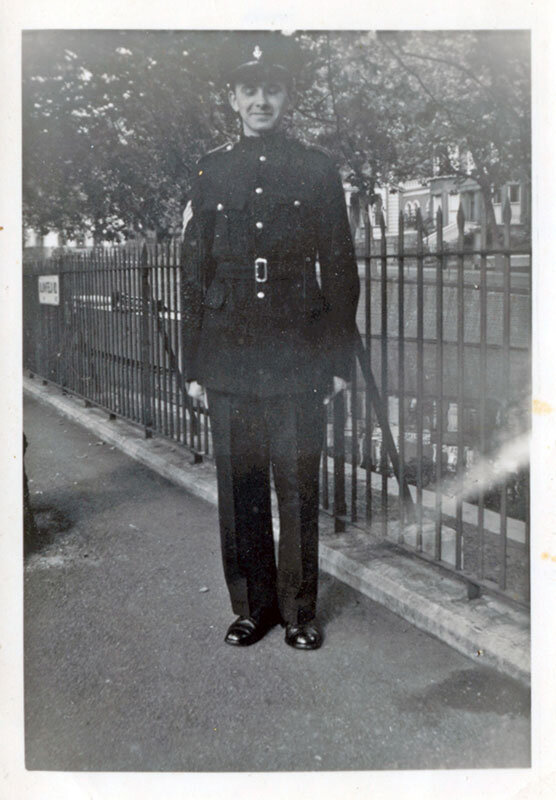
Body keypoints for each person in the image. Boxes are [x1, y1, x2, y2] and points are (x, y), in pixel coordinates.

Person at [181, 34, 360, 650]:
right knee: (241, 488)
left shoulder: (316, 168)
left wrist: (338, 360)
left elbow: (338, 265)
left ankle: (300, 610)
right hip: (229, 353)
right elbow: (193, 267)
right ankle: (253, 607)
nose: (262, 100)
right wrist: (194, 363)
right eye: (250, 89)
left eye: (273, 89)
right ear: (233, 97)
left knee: (298, 485)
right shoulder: (211, 167)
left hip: (298, 351)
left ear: (288, 96)